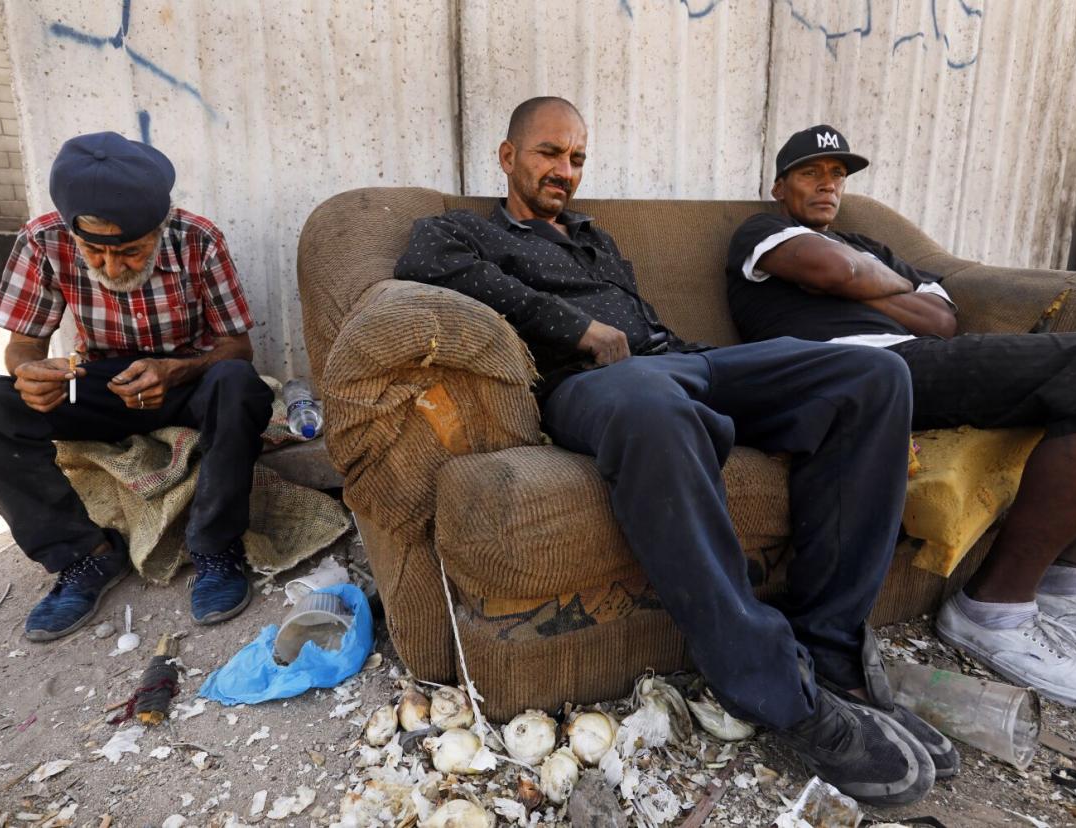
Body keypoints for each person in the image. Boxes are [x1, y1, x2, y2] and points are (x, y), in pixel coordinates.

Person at [395, 97, 954, 804]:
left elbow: (649, 331)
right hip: (590, 384)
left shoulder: (594, 238)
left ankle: (832, 651)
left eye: (576, 158)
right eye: (548, 153)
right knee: (651, 406)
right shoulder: (459, 232)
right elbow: (424, 263)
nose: (564, 171)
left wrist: (690, 359)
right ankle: (774, 688)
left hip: (683, 362)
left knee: (873, 375)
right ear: (507, 157)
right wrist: (577, 327)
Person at [727, 124, 1076, 718]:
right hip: (857, 372)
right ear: (778, 186)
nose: (827, 184)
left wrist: (864, 279)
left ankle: (1069, 579)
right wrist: (869, 287)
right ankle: (994, 606)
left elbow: (942, 320)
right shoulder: (762, 233)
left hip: (927, 362)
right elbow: (838, 274)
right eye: (811, 173)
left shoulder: (870, 245)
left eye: (837, 175)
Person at [0, 132, 274, 642]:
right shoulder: (42, 240)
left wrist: (176, 370)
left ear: (159, 229)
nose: (112, 267)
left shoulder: (198, 240)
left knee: (239, 383)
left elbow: (236, 346)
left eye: (131, 251)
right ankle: (84, 556)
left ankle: (215, 550)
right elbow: (24, 346)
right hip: (97, 384)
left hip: (184, 381)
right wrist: (28, 374)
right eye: (94, 252)